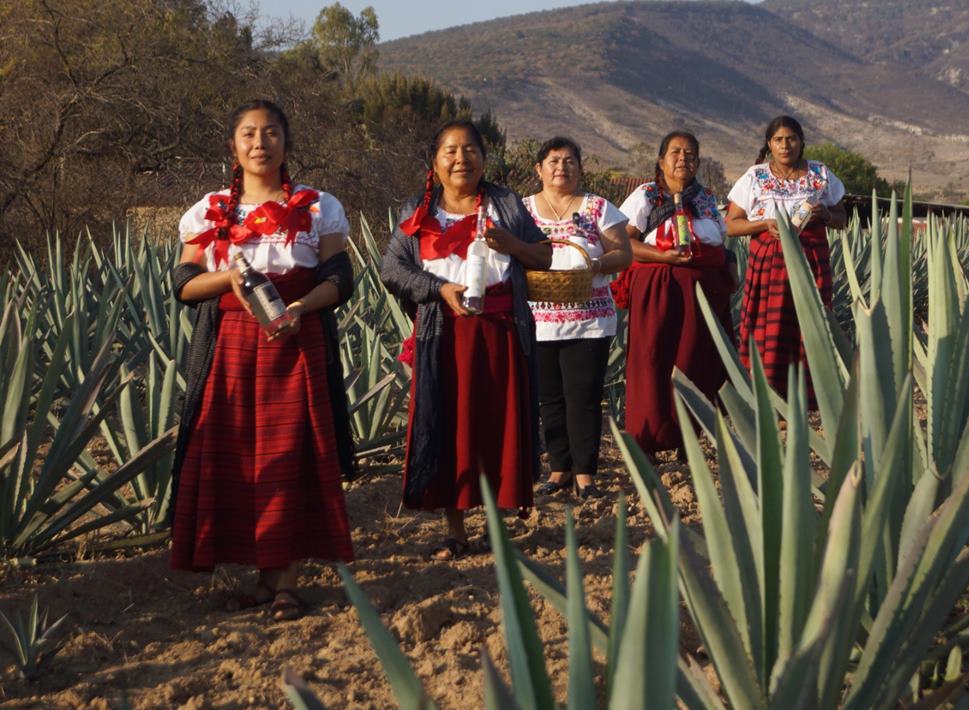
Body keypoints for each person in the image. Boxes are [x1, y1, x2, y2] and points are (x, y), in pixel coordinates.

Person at [169, 99, 356, 622]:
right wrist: (229, 278)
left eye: (270, 132)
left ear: (285, 142)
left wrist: (300, 306)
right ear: (233, 145)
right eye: (248, 134)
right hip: (231, 343)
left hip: (297, 341)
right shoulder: (210, 211)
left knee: (293, 455)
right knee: (240, 456)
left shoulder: (319, 206)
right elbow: (184, 284)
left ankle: (286, 582)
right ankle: (260, 575)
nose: (259, 142)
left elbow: (341, 278)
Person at [381, 119, 551, 560]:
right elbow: (393, 269)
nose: (462, 159)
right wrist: (439, 290)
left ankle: (496, 523)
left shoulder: (505, 204)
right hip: (444, 334)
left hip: (501, 331)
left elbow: (544, 255)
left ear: (484, 157)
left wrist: (511, 242)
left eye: (471, 149)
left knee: (497, 426)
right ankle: (455, 530)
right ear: (434, 162)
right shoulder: (417, 213)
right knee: (450, 428)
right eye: (450, 151)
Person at [524, 137, 633, 499]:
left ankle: (585, 472)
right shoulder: (521, 211)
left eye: (570, 160)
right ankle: (558, 469)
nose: (562, 167)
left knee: (583, 395)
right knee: (549, 397)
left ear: (580, 168)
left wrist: (596, 265)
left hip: (590, 318)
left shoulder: (598, 207)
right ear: (538, 169)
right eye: (553, 161)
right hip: (538, 318)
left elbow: (623, 253)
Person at [616, 131, 735, 455]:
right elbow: (623, 240)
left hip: (703, 292)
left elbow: (720, 242)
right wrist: (661, 256)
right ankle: (648, 437)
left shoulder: (707, 198)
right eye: (676, 152)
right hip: (658, 290)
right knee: (652, 359)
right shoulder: (646, 195)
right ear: (661, 160)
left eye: (691, 154)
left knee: (696, 360)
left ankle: (689, 440)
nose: (684, 159)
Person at [725, 115, 847, 397]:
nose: (785, 145)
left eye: (791, 139)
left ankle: (810, 399)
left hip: (812, 264)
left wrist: (826, 214)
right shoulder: (755, 177)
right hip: (770, 267)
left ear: (801, 142)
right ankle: (772, 399)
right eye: (778, 140)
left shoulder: (820, 174)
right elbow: (731, 225)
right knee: (771, 329)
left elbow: (842, 219)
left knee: (811, 327)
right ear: (769, 144)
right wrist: (764, 225)